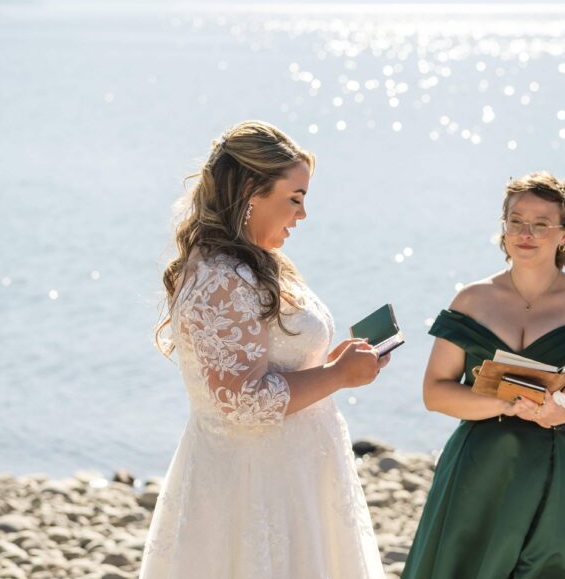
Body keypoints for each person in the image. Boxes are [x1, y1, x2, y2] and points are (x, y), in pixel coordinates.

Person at [140, 121, 387, 579]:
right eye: (295, 198)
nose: (303, 215)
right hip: (254, 489)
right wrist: (337, 376)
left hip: (297, 478)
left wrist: (335, 364)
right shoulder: (221, 277)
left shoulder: (257, 262)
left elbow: (275, 365)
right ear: (252, 190)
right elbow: (242, 402)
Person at [402, 172, 565, 579]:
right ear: (503, 227)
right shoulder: (471, 299)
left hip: (563, 470)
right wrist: (503, 402)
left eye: (542, 224)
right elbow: (435, 392)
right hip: (480, 471)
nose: (527, 233)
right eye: (516, 221)